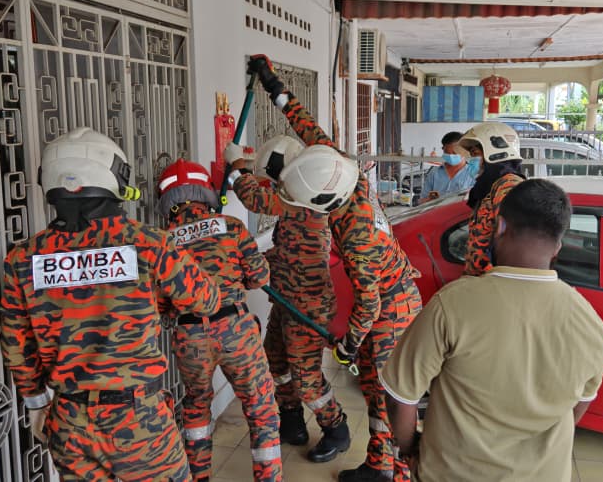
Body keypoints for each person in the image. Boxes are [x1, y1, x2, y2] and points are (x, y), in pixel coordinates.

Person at [0, 127, 221, 481]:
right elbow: (207, 300)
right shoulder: (149, 244)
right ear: (113, 176)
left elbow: (16, 345)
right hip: (140, 423)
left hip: (69, 423)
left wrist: (36, 403)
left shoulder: (23, 257)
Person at [245, 54, 423, 482]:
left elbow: (370, 300)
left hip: (391, 308)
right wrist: (274, 86)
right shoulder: (346, 174)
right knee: (373, 391)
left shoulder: (357, 234)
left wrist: (347, 346)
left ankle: (393, 473)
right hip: (387, 297)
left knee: (384, 395)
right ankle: (378, 466)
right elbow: (307, 127)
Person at [381, 179, 603, 482]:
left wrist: (409, 448)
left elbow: (401, 395)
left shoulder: (453, 304)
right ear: (557, 246)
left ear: (500, 226)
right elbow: (576, 409)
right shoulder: (592, 327)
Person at [224, 134, 352, 463]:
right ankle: (292, 422)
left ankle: (336, 429)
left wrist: (237, 169)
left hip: (306, 308)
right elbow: (286, 253)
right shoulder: (298, 203)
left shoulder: (304, 202)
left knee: (306, 379)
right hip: (286, 300)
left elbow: (255, 199)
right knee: (276, 363)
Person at [156, 159, 282, 482]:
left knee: (196, 406)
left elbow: (161, 306)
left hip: (190, 336)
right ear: (205, 193)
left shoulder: (162, 242)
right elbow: (259, 276)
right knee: (260, 407)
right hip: (236, 329)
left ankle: (199, 478)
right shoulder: (231, 226)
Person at [459, 122, 526, 276]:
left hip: (494, 281)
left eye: (475, 153)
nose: (471, 160)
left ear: (494, 152)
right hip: (481, 279)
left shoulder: (507, 186)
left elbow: (512, 243)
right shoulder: (491, 187)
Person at [419, 131, 476, 202]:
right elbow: (422, 201)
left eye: (455, 153)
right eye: (447, 153)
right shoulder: (434, 173)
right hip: (436, 212)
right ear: (443, 150)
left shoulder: (473, 174)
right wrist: (430, 200)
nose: (451, 156)